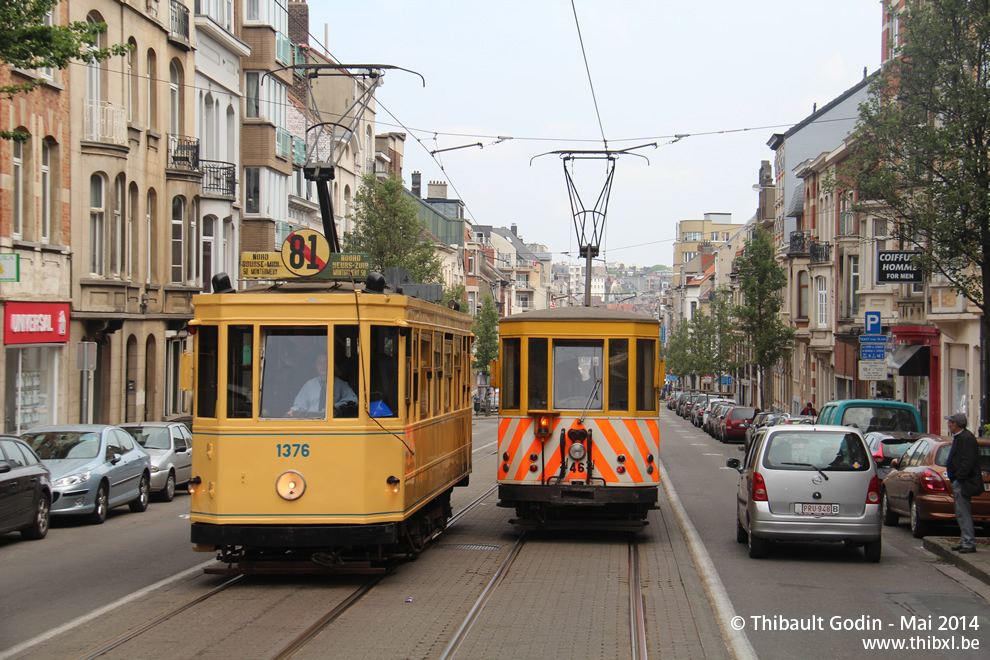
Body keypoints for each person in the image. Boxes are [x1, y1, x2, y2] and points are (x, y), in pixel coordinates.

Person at [945, 412, 981, 554]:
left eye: (950, 422)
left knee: (963, 512)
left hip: (963, 482)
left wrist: (959, 477)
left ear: (956, 424)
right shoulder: (960, 437)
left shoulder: (966, 438)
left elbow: (968, 461)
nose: (948, 424)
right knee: (960, 512)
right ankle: (965, 540)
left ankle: (968, 542)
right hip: (959, 480)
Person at [287, 354, 357, 417]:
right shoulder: (309, 384)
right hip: (311, 423)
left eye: (326, 362)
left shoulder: (340, 384)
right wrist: (293, 410)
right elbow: (300, 404)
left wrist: (334, 407)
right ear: (316, 366)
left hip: (332, 424)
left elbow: (353, 401)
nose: (323, 366)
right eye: (320, 363)